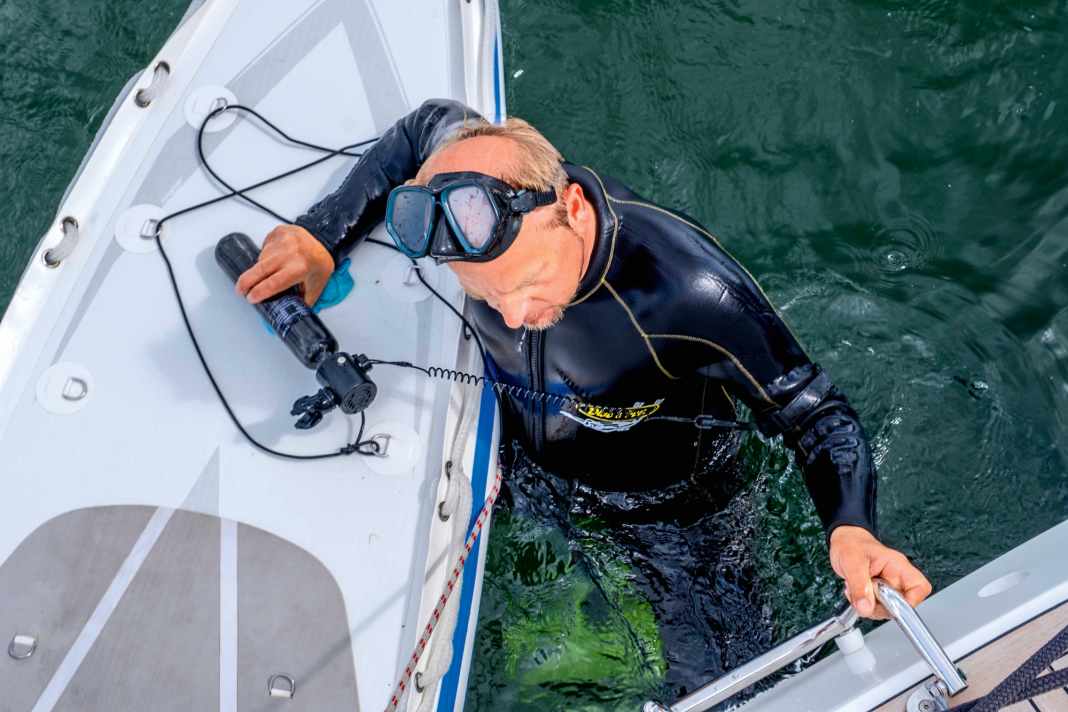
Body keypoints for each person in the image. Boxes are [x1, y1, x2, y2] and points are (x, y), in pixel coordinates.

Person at [235, 98, 932, 693]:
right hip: (527, 463)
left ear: (569, 206)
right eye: (487, 296)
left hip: (672, 512)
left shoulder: (688, 292)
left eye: (526, 285)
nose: (510, 316)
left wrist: (851, 527)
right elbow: (423, 129)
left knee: (730, 681)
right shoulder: (471, 182)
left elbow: (817, 414)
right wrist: (323, 235)